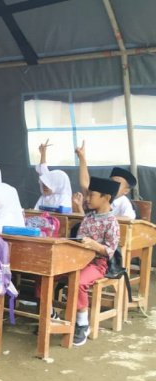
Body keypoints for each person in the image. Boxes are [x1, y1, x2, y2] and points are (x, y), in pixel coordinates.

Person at [70, 177, 121, 346]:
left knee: (78, 282)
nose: (87, 198)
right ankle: (51, 316)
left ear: (106, 198)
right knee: (51, 273)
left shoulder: (112, 222)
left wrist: (94, 245)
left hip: (99, 264)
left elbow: (110, 250)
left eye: (92, 195)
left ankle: (83, 323)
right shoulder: (89, 218)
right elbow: (79, 238)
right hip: (79, 260)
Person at [73, 141, 136, 219]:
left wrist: (105, 217)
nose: (112, 184)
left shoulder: (124, 202)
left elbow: (129, 219)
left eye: (117, 182)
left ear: (125, 191)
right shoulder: (99, 195)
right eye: (111, 180)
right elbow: (85, 184)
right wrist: (82, 157)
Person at [32, 140, 73, 211]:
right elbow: (43, 172)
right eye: (44, 183)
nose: (45, 185)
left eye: (49, 183)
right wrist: (43, 154)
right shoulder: (44, 197)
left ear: (58, 184)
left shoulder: (64, 198)